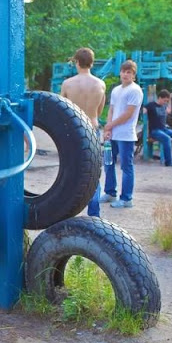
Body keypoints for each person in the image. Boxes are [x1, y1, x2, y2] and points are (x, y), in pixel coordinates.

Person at [61, 47, 106, 217]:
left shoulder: (68, 84)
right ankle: (94, 213)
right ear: (92, 63)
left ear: (77, 62)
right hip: (92, 128)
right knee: (93, 171)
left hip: (74, 130)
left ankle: (67, 212)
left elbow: (63, 109)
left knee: (70, 170)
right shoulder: (100, 84)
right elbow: (99, 111)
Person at [100, 60, 144, 208]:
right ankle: (110, 193)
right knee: (108, 163)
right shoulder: (116, 90)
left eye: (129, 72)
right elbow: (111, 110)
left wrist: (110, 125)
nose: (125, 74)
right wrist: (108, 128)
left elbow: (128, 114)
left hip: (126, 135)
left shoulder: (135, 90)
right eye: (124, 71)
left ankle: (126, 199)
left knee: (126, 166)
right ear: (120, 72)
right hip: (113, 134)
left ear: (134, 75)